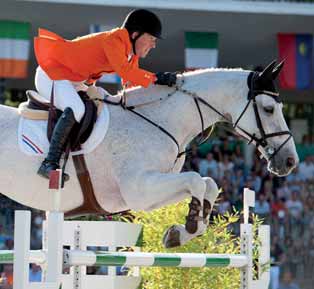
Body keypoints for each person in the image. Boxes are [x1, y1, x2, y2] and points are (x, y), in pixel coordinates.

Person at [34, 9, 177, 181]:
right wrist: (156, 78)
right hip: (53, 74)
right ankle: (49, 163)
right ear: (135, 34)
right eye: (152, 39)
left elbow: (130, 83)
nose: (154, 44)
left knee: (104, 104)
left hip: (76, 82)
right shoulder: (114, 39)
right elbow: (126, 72)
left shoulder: (130, 53)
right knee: (76, 109)